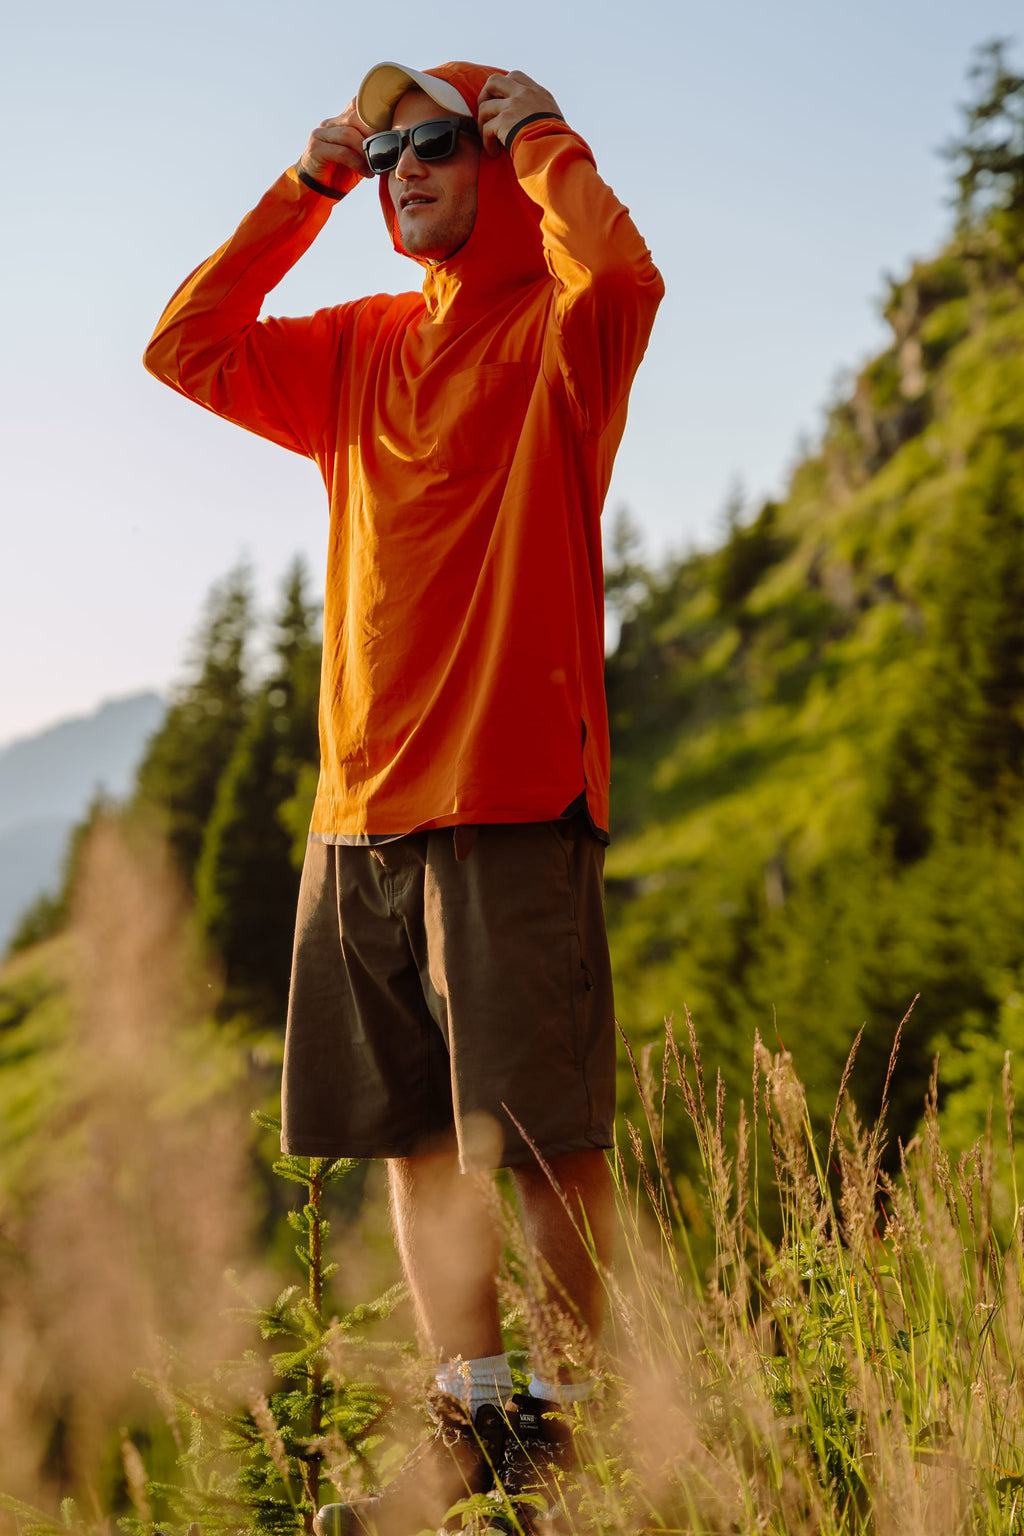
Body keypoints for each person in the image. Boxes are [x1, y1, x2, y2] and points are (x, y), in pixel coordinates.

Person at [145, 58, 662, 1535]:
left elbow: (625, 271)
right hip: (355, 810)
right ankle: (473, 1412)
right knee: (415, 1133)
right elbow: (186, 346)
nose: (405, 170)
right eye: (389, 154)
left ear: (496, 158)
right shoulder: (361, 345)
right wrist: (300, 188)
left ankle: (578, 1417)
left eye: (436, 143)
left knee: (544, 1126)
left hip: (508, 793)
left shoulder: (564, 342)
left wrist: (541, 130)